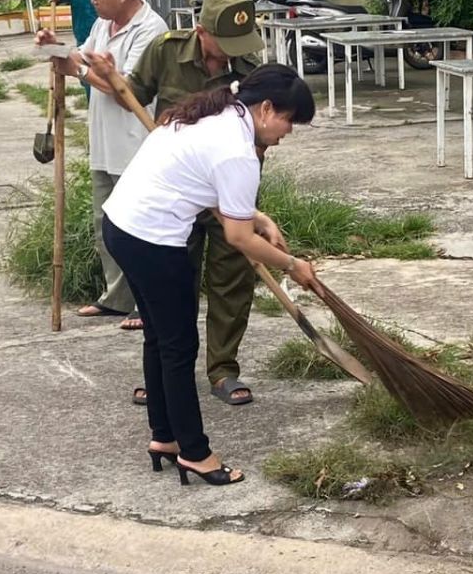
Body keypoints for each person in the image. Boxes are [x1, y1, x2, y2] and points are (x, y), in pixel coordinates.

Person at [100, 64, 319, 486]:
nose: (288, 132)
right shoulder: (238, 151)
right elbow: (237, 237)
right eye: (289, 121)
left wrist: (258, 216)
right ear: (267, 108)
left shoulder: (212, 114)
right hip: (153, 241)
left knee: (160, 339)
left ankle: (164, 437)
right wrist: (293, 266)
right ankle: (196, 453)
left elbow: (203, 184)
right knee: (179, 349)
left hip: (121, 226)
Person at [91, 0, 266, 407]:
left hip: (227, 191)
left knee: (231, 281)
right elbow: (131, 94)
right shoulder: (165, 51)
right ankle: (168, 373)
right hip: (174, 198)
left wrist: (243, 203)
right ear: (200, 32)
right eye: (224, 45)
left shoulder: (249, 65)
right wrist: (106, 77)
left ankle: (223, 369)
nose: (232, 55)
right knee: (172, 285)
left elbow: (257, 137)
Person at [40, 0, 168, 329]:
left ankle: (145, 303)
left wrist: (78, 70)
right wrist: (56, 49)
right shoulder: (103, 23)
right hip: (104, 141)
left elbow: (125, 89)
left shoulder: (151, 29)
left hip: (135, 144)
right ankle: (116, 297)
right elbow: (83, 55)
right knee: (105, 223)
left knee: (138, 228)